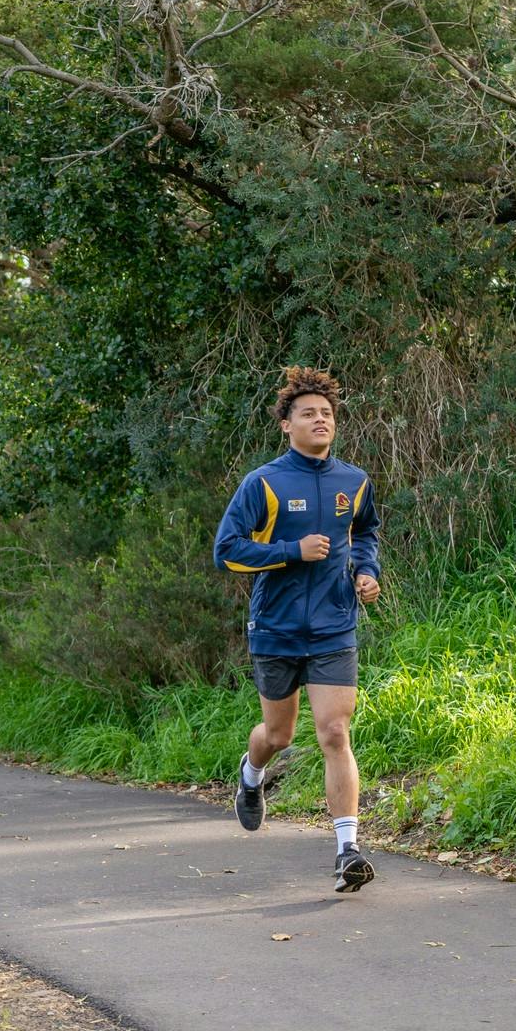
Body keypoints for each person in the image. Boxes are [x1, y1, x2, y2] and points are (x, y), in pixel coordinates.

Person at [213, 367, 382, 892]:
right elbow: (228, 551)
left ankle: (347, 850)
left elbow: (366, 531)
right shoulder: (263, 482)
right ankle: (251, 773)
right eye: (308, 413)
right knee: (279, 736)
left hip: (334, 625)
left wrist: (366, 571)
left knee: (334, 731)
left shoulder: (353, 481)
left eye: (327, 414)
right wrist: (292, 552)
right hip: (276, 627)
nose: (320, 420)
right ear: (286, 425)